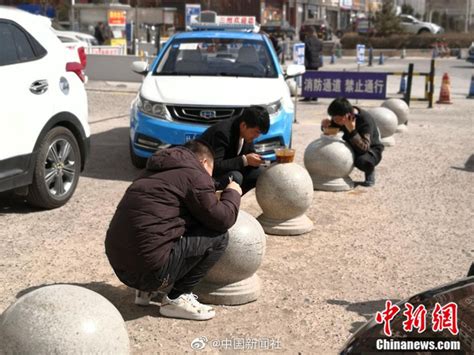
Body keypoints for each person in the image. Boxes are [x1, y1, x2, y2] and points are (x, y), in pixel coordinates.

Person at [105, 140, 242, 321]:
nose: (210, 178)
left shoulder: (150, 172)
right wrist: (232, 193)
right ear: (204, 163)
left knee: (166, 228)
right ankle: (177, 298)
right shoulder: (195, 175)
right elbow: (223, 219)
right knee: (219, 236)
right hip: (150, 270)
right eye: (211, 171)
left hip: (121, 266)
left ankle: (145, 291)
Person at [200, 106, 270, 195]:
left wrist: (259, 161)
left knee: (261, 173)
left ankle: (236, 200)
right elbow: (216, 166)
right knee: (236, 177)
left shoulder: (246, 133)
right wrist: (245, 160)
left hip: (229, 170)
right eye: (256, 132)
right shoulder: (222, 133)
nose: (257, 136)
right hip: (208, 176)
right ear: (243, 125)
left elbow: (249, 156)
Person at [321, 97, 384, 187]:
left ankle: (369, 170)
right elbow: (330, 132)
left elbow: (364, 148)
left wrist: (352, 130)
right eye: (333, 119)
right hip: (351, 145)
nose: (335, 121)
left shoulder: (364, 119)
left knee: (362, 160)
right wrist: (324, 126)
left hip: (371, 150)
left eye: (337, 119)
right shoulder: (340, 117)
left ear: (347, 115)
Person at [302, 26, 323, 102]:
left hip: (309, 63)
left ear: (309, 32)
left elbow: (305, 50)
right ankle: (315, 96)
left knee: (308, 80)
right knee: (315, 80)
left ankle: (308, 96)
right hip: (316, 63)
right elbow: (320, 49)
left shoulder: (307, 40)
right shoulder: (318, 41)